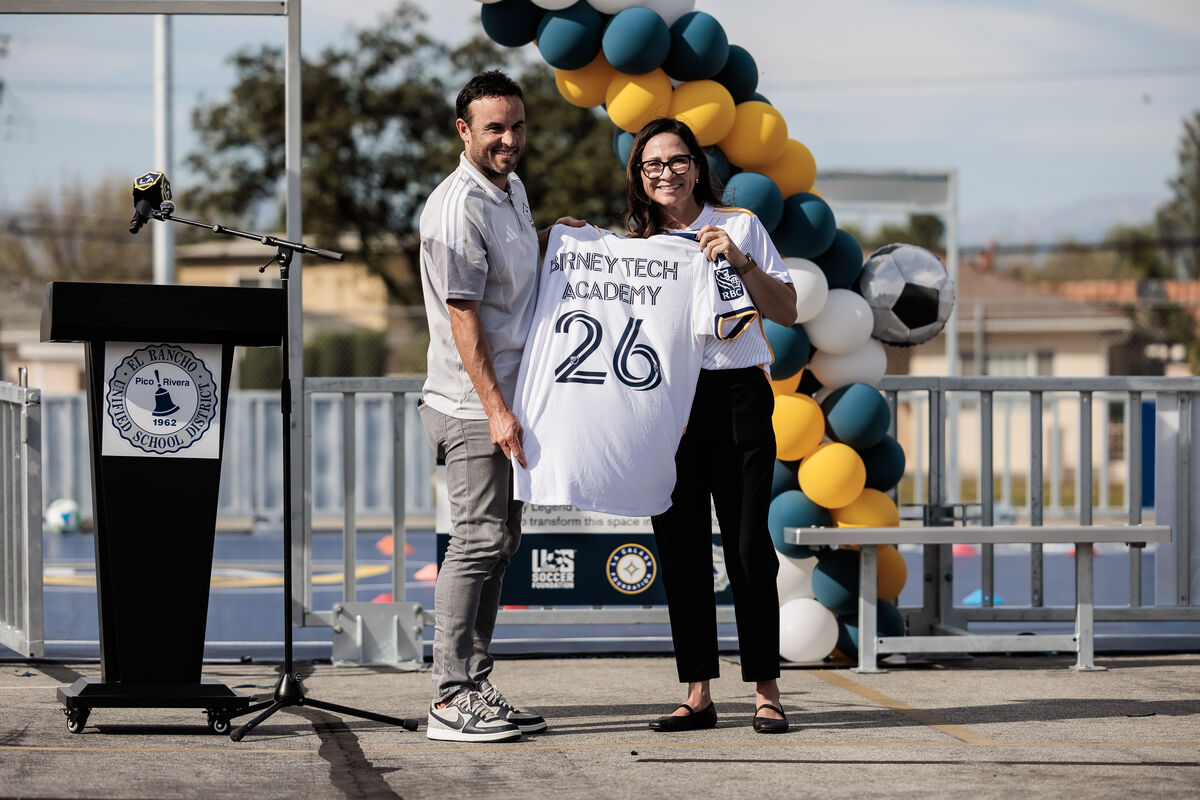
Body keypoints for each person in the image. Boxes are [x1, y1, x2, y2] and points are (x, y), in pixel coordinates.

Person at [418, 70, 580, 743]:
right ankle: (449, 696)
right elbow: (466, 319)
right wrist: (495, 409)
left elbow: (509, 281)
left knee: (500, 543)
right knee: (478, 540)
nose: (509, 139)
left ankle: (475, 682)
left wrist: (552, 241)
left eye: (516, 125)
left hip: (511, 398)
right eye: (494, 128)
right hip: (471, 403)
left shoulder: (509, 190)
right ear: (464, 131)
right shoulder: (458, 207)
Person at [627, 118, 799, 734]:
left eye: (676, 161)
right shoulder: (636, 245)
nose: (665, 174)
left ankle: (766, 691)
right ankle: (698, 693)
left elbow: (787, 309)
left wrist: (742, 262)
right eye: (652, 166)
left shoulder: (741, 226)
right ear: (639, 179)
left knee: (750, 547)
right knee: (681, 552)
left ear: (697, 167)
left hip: (739, 398)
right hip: (667, 406)